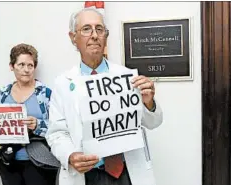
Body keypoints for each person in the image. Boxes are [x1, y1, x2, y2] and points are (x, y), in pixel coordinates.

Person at [45, 8, 163, 185]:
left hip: (126, 174)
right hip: (87, 175)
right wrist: (70, 156)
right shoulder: (62, 84)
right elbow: (57, 133)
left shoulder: (128, 78)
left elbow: (153, 123)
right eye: (86, 29)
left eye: (99, 29)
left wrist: (148, 103)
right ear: (73, 38)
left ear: (105, 36)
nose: (94, 35)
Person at [0, 43, 58, 185]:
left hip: (40, 161)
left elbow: (59, 126)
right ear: (11, 66)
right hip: (8, 160)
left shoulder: (45, 93)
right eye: (21, 65)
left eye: (30, 65)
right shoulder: (3, 94)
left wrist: (37, 125)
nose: (26, 70)